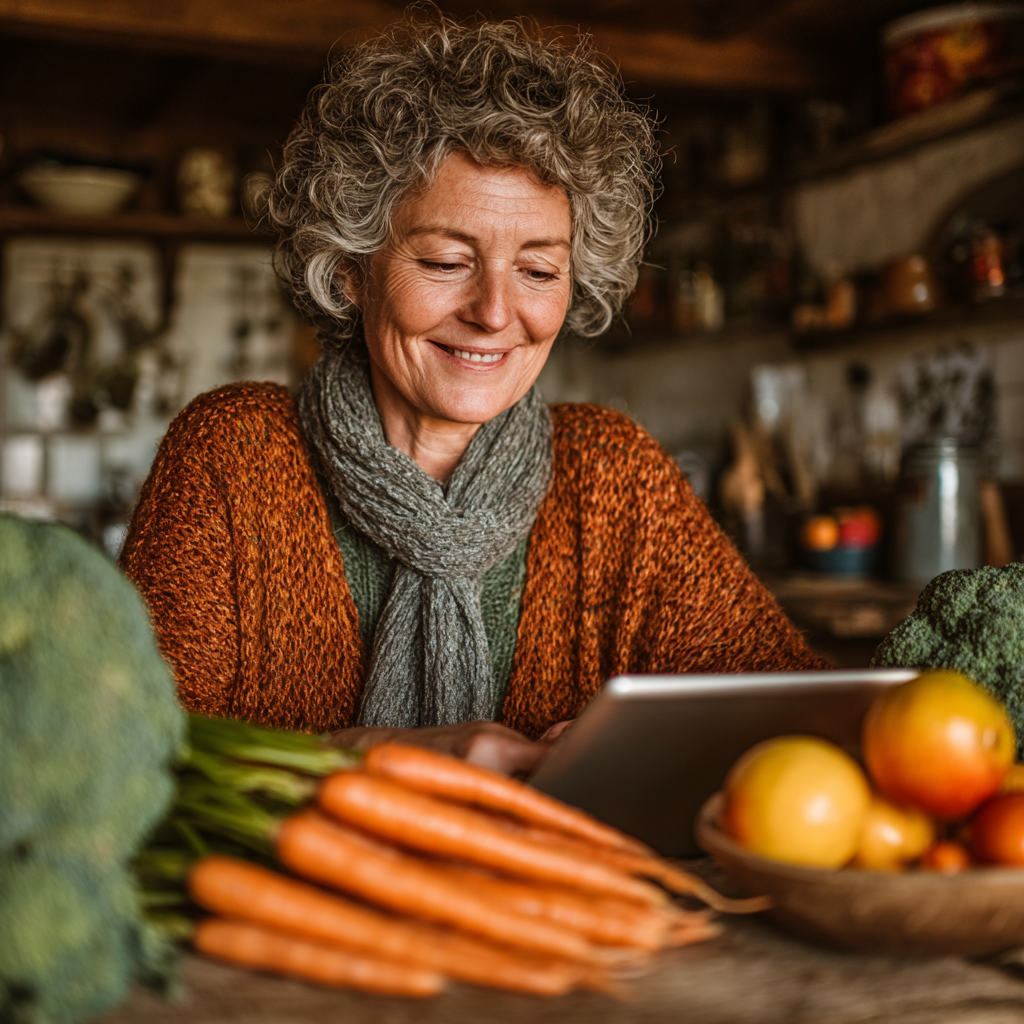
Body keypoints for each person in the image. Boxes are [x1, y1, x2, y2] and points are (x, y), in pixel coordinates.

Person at [120, 16, 828, 776]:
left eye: (538, 271)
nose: (494, 312)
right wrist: (366, 756)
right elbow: (118, 758)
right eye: (445, 261)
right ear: (352, 270)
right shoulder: (233, 455)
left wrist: (642, 754)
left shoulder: (614, 476)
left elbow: (799, 726)